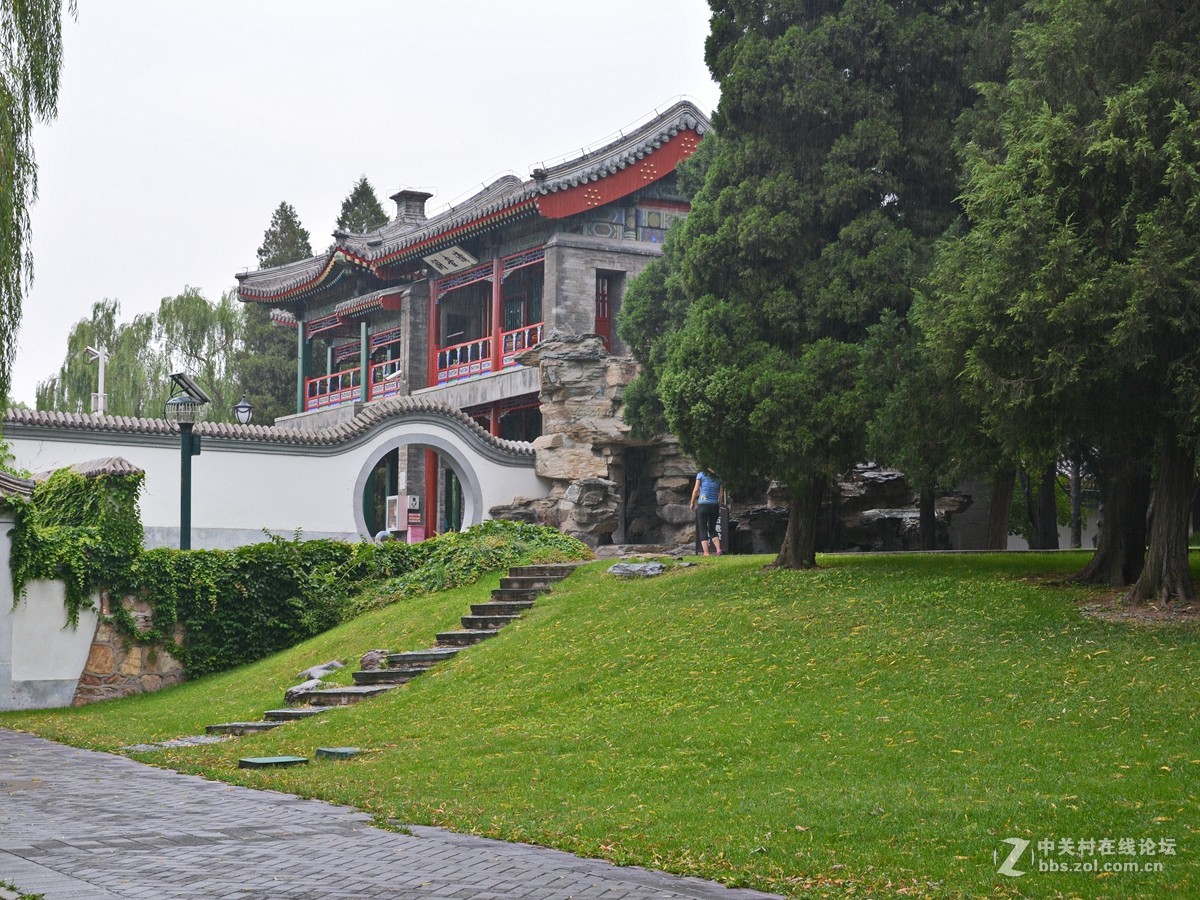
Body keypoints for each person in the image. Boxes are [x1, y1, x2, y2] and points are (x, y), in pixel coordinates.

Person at [689, 470, 725, 556]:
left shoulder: (701, 475)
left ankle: (706, 552)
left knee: (703, 528)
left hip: (703, 505)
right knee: (712, 528)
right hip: (714, 505)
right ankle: (718, 549)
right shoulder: (719, 477)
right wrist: (719, 506)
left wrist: (692, 502)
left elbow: (696, 490)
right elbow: (721, 494)